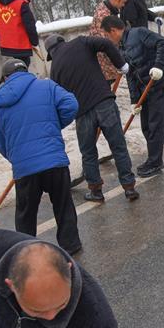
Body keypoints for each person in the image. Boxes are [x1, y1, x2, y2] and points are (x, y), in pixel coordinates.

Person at [0, 59, 82, 254]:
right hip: (54, 160)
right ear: (26, 70)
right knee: (63, 205)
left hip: (25, 168)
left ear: (5, 78)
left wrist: (16, 157)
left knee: (26, 214)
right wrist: (53, 127)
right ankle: (71, 245)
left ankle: (26, 251)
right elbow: (71, 104)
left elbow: (0, 142)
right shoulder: (46, 85)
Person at [45, 20, 139, 204]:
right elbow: (104, 43)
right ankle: (129, 187)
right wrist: (121, 64)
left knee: (88, 153)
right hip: (104, 102)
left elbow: (58, 98)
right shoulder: (81, 42)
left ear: (51, 52)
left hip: (82, 113)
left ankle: (96, 191)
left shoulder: (55, 68)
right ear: (62, 41)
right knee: (118, 146)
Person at [121, 22, 164, 178]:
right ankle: (153, 158)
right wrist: (134, 100)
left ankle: (155, 162)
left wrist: (158, 66)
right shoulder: (120, 48)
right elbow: (129, 75)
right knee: (146, 127)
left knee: (155, 125)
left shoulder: (139, 33)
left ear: (114, 30)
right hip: (143, 90)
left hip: (157, 86)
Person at [0, 0, 40, 65]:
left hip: (6, 45)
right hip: (20, 45)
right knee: (22, 69)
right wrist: (34, 42)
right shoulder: (21, 3)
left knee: (12, 70)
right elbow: (30, 25)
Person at [89, 0, 128, 85]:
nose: (123, 6)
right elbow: (107, 40)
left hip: (104, 54)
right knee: (106, 82)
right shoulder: (103, 15)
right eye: (122, 2)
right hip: (103, 55)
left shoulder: (107, 8)